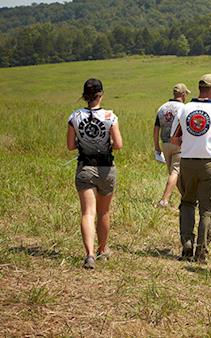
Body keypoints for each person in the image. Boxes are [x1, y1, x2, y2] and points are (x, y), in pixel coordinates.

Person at [171, 74, 211, 264]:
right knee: (207, 209)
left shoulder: (184, 109)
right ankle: (201, 251)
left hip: (187, 162)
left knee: (187, 202)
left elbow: (174, 138)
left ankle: (187, 243)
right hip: (209, 164)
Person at [66, 78, 123, 269]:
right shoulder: (109, 116)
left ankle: (89, 254)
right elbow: (119, 145)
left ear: (84, 95)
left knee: (87, 212)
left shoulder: (75, 116)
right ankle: (102, 249)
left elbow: (70, 145)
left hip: (85, 168)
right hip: (106, 168)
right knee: (103, 211)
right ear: (101, 94)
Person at [153, 83, 190, 208]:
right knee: (175, 173)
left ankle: (185, 197)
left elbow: (156, 129)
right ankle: (164, 200)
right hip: (179, 144)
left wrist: (157, 146)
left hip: (165, 144)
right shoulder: (184, 108)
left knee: (173, 173)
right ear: (183, 94)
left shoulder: (162, 108)